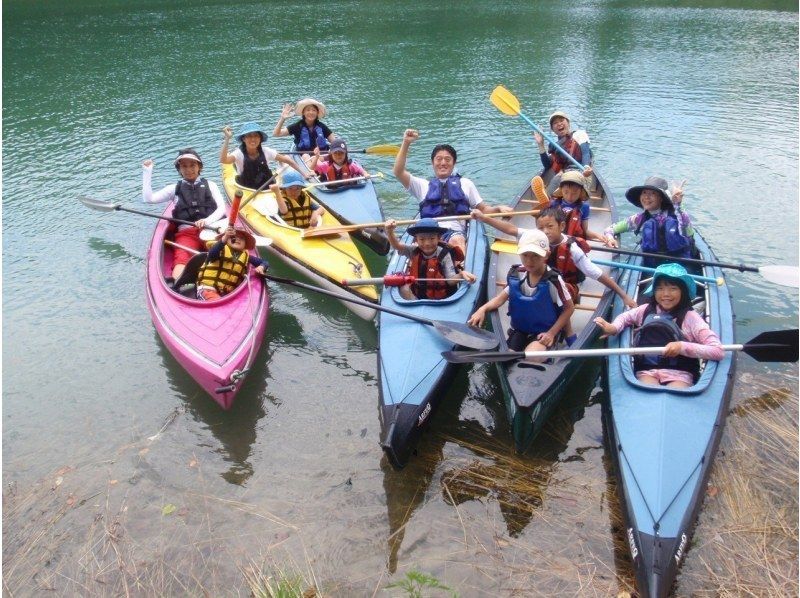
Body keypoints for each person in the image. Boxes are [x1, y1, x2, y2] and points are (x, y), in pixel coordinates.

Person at [473, 207, 636, 345]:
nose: (545, 231)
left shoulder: (572, 249)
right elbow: (510, 229)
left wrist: (623, 296)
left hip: (565, 285)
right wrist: (484, 218)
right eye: (541, 228)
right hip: (538, 279)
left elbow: (596, 273)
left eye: (550, 226)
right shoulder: (536, 239)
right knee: (523, 287)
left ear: (562, 226)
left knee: (559, 294)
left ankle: (568, 332)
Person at [593, 263, 724, 388]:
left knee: (676, 394)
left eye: (673, 288)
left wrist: (682, 347)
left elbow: (717, 351)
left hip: (680, 374)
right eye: (660, 288)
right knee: (647, 392)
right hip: (647, 370)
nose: (666, 294)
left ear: (683, 291)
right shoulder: (645, 310)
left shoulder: (691, 318)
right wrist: (614, 327)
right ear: (654, 291)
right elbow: (625, 317)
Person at [393, 128, 511, 256]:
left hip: (454, 232)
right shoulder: (422, 186)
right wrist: (406, 142)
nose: (443, 163)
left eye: (447, 159)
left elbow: (483, 209)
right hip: (428, 232)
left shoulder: (466, 184)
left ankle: (461, 272)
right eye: (439, 159)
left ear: (454, 163)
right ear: (432, 163)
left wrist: (498, 209)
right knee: (417, 249)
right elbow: (398, 172)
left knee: (457, 240)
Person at [468, 229, 574, 362]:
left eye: (535, 255)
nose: (529, 261)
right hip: (520, 329)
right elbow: (500, 299)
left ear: (546, 254)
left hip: (544, 332)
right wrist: (481, 309)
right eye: (525, 255)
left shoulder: (553, 280)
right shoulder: (517, 274)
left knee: (531, 357)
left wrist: (551, 333)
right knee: (508, 357)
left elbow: (569, 308)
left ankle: (549, 350)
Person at [142, 149, 226, 280]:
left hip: (212, 230)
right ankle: (179, 284)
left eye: (192, 165)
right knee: (181, 258)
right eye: (184, 166)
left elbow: (222, 208)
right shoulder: (173, 189)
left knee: (222, 254)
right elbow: (149, 199)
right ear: (179, 169)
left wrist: (207, 221)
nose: (189, 169)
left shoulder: (211, 185)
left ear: (199, 167)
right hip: (187, 233)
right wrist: (147, 171)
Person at [602, 176, 695, 267]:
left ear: (661, 198)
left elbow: (688, 232)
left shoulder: (677, 213)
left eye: (653, 193)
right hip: (653, 268)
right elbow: (610, 230)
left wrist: (677, 204)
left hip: (680, 266)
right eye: (644, 193)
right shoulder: (639, 219)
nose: (646, 197)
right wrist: (610, 238)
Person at [384, 218, 477, 300]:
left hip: (442, 299)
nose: (427, 243)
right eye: (422, 239)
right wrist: (389, 231)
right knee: (403, 288)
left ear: (439, 238)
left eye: (432, 238)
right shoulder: (414, 251)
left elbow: (450, 280)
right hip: (417, 297)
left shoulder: (444, 254)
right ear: (416, 240)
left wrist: (461, 275)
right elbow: (397, 246)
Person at [219, 122, 308, 190]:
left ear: (260, 139)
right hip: (246, 188)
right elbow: (224, 160)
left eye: (256, 136)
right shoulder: (238, 153)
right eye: (249, 136)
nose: (253, 139)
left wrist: (304, 174)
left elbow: (288, 161)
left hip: (267, 186)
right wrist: (227, 139)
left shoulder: (266, 151)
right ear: (243, 139)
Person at [196, 226, 269, 301]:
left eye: (242, 238)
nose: (237, 239)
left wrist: (262, 267)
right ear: (226, 240)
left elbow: (265, 262)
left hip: (227, 294)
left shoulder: (246, 256)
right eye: (233, 237)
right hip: (208, 289)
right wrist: (225, 237)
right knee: (218, 303)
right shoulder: (219, 250)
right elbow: (212, 254)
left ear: (245, 244)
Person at [534, 111, 593, 195]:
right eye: (555, 123)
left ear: (568, 123)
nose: (559, 124)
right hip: (564, 174)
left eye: (561, 120)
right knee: (552, 189)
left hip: (582, 172)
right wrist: (540, 144)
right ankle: (551, 199)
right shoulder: (554, 145)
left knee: (567, 180)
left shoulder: (580, 134)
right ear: (553, 129)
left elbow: (585, 153)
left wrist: (586, 167)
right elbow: (547, 165)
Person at [545, 170, 608, 244]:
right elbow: (548, 226)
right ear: (561, 190)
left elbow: (585, 231)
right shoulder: (554, 204)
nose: (570, 197)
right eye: (566, 192)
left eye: (574, 193)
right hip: (556, 241)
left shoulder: (584, 207)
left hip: (574, 243)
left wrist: (598, 236)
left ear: (581, 192)